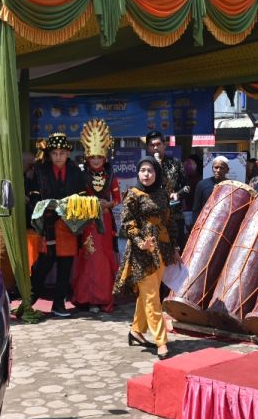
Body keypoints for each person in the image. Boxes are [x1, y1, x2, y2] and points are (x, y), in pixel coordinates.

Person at [115, 159, 177, 358]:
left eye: (150, 170)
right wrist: (141, 242)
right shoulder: (133, 194)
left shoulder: (161, 194)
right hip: (142, 252)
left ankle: (136, 331)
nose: (146, 174)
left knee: (147, 294)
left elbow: (169, 221)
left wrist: (174, 248)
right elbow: (127, 223)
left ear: (156, 173)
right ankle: (161, 341)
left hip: (162, 249)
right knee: (152, 297)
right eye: (142, 170)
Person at [28, 133, 88, 317]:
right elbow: (33, 196)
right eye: (55, 153)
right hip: (48, 224)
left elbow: (83, 197)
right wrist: (44, 209)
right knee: (44, 263)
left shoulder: (76, 172)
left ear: (68, 153)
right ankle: (29, 299)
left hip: (69, 225)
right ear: (50, 154)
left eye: (62, 153)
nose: (58, 157)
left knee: (65, 266)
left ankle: (58, 305)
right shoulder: (40, 170)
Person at [71, 119, 121, 313]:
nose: (96, 160)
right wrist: (89, 204)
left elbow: (117, 198)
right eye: (93, 157)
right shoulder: (82, 176)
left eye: (99, 156)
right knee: (88, 258)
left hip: (105, 222)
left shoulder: (111, 176)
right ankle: (88, 297)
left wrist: (108, 204)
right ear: (87, 157)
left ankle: (104, 297)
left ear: (105, 157)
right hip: (88, 222)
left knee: (103, 259)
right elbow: (77, 197)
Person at [146, 130, 188, 247]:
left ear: (164, 145)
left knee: (177, 253)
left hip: (174, 216)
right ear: (148, 148)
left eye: (158, 144)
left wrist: (177, 194)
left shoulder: (175, 163)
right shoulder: (145, 166)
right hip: (153, 218)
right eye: (152, 145)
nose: (155, 148)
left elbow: (187, 187)